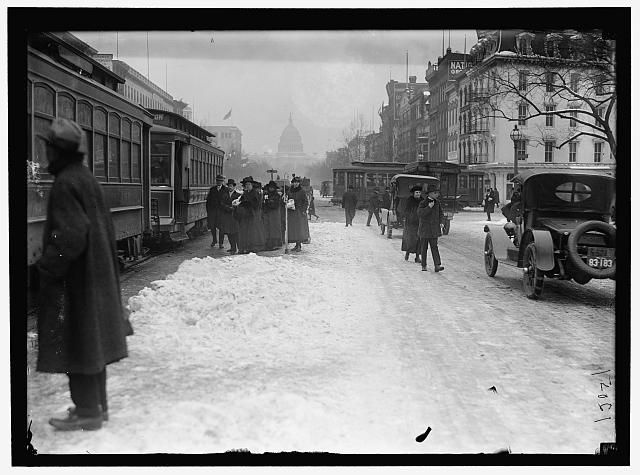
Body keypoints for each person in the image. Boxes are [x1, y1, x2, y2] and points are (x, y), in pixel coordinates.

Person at [35, 118, 129, 431]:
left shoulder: (65, 183)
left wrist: (47, 267)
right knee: (93, 346)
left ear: (56, 150)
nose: (46, 153)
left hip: (78, 282)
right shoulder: (86, 179)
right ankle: (96, 408)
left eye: (48, 147)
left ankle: (87, 411)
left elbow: (71, 236)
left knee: (77, 344)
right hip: (96, 277)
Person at [417, 184, 446, 272]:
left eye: (437, 193)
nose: (437, 194)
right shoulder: (423, 202)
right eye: (435, 193)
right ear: (429, 194)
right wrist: (428, 207)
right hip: (425, 230)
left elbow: (441, 214)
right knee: (424, 248)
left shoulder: (437, 202)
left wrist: (441, 222)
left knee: (434, 247)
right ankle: (424, 265)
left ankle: (437, 265)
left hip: (434, 230)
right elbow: (420, 213)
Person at [234, 176, 264, 254]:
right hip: (245, 215)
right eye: (246, 184)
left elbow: (256, 205)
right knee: (245, 231)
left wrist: (245, 203)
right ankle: (244, 247)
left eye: (249, 184)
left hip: (252, 215)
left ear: (252, 185)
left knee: (252, 232)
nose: (247, 186)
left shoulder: (255, 193)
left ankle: (252, 247)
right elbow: (241, 201)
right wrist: (239, 203)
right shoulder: (245, 193)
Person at [286, 176, 309, 251]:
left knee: (299, 228)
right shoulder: (290, 191)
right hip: (291, 212)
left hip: (299, 212)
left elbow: (305, 201)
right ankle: (296, 244)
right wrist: (287, 201)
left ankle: (299, 244)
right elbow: (287, 198)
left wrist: (303, 210)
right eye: (294, 182)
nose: (296, 184)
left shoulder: (302, 191)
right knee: (293, 229)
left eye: (297, 182)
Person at [218, 178, 241, 254]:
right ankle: (232, 248)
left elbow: (240, 204)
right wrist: (228, 208)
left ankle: (239, 248)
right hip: (227, 216)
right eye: (229, 186)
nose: (230, 187)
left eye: (231, 186)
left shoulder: (238, 195)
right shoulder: (224, 195)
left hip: (235, 216)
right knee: (229, 233)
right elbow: (221, 204)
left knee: (235, 232)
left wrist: (234, 208)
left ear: (234, 187)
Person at [402, 185, 422, 263]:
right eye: (416, 192)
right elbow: (406, 210)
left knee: (419, 240)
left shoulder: (422, 201)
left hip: (420, 223)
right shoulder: (410, 200)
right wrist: (410, 217)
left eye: (419, 192)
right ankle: (407, 253)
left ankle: (417, 256)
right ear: (413, 193)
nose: (418, 194)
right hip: (410, 223)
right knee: (410, 239)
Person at [206, 174, 226, 248]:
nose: (219, 182)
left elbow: (227, 201)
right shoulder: (212, 189)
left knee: (222, 228)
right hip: (213, 212)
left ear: (222, 181)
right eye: (218, 181)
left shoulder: (225, 190)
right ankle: (214, 240)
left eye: (220, 181)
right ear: (216, 181)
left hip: (222, 212)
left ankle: (221, 243)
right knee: (212, 226)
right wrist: (208, 211)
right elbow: (208, 201)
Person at [262, 180, 283, 251]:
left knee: (274, 228)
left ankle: (275, 243)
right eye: (270, 188)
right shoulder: (266, 195)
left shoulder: (277, 195)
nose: (271, 189)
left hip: (274, 214)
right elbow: (263, 203)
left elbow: (276, 205)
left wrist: (269, 203)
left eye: (272, 188)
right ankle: (268, 243)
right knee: (267, 228)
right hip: (267, 213)